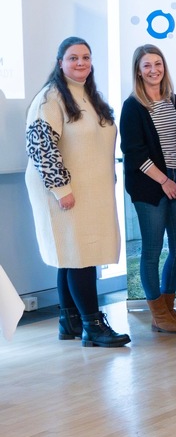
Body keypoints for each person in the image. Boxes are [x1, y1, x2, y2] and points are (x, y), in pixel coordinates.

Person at [25, 37, 128, 348]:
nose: (80, 63)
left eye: (85, 57)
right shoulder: (50, 98)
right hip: (65, 191)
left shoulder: (89, 95)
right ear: (60, 63)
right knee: (80, 255)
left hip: (91, 190)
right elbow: (41, 147)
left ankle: (68, 320)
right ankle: (93, 326)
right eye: (73, 58)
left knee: (72, 255)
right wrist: (61, 189)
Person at [119, 44, 176, 335]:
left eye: (158, 64)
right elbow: (134, 152)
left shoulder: (172, 99)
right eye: (147, 65)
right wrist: (164, 180)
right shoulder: (133, 106)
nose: (154, 70)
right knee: (152, 249)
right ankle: (158, 314)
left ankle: (169, 306)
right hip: (150, 184)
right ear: (138, 70)